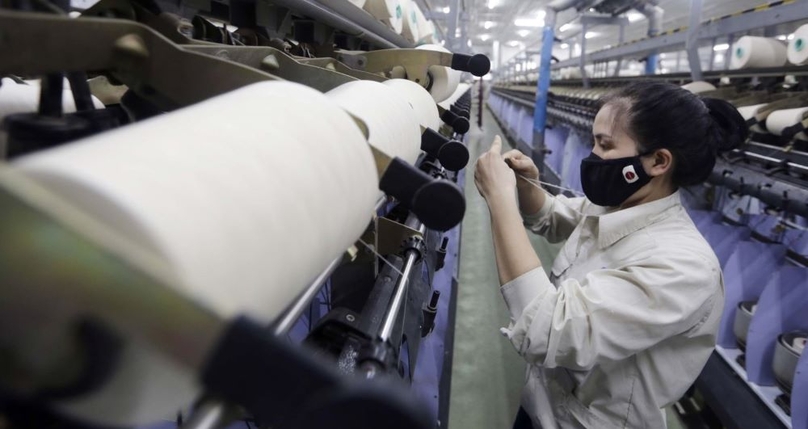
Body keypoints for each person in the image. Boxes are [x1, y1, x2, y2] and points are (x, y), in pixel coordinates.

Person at [473, 81, 748, 429]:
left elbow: (545, 328)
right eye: (593, 141)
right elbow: (556, 217)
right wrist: (527, 185)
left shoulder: (683, 266)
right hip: (541, 404)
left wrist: (500, 200)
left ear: (658, 161)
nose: (593, 155)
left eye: (605, 144)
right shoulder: (618, 205)